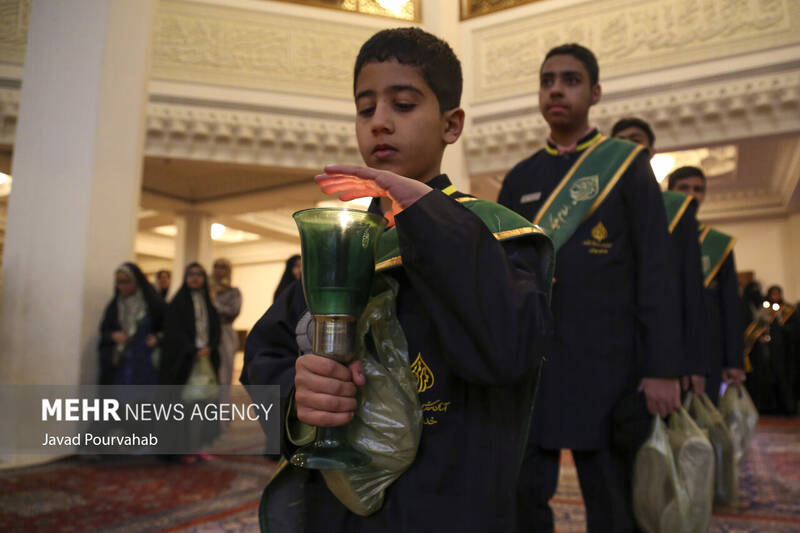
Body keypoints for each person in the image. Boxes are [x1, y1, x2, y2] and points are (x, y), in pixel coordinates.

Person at [241, 27, 554, 532]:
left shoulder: (500, 237)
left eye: (403, 104)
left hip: (450, 498)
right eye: (366, 109)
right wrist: (300, 396)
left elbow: (506, 349)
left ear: (452, 125)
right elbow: (268, 350)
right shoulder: (343, 242)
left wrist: (422, 214)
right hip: (340, 504)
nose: (380, 123)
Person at [498, 44, 682, 533]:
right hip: (535, 369)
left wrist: (662, 368)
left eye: (571, 80)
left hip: (610, 370)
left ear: (595, 92)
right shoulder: (520, 179)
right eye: (547, 80)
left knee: (615, 508)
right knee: (521, 501)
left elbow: (657, 272)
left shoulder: (627, 166)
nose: (556, 89)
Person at [612, 117, 709, 396]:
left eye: (636, 141)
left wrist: (691, 363)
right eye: (621, 142)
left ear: (651, 152)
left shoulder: (678, 210)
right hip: (612, 347)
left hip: (664, 348)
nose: (629, 148)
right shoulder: (601, 203)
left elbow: (689, 291)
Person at [667, 166, 746, 404]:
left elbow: (730, 306)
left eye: (698, 189)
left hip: (708, 349)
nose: (691, 194)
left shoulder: (718, 243)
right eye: (683, 188)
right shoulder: (656, 234)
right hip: (664, 343)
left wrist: (734, 360)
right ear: (669, 191)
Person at [161, 262, 222, 459]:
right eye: (191, 274)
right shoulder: (178, 304)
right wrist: (191, 350)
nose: (195, 278)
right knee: (185, 407)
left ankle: (199, 446)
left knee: (205, 404)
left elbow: (215, 329)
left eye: (199, 274)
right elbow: (174, 332)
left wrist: (209, 347)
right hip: (185, 363)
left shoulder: (208, 303)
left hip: (205, 359)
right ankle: (183, 448)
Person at [99, 262, 166, 385]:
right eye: (119, 282)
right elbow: (104, 333)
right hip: (121, 365)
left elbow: (170, 329)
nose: (122, 286)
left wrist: (157, 339)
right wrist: (113, 336)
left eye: (126, 282)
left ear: (136, 281)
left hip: (147, 364)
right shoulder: (115, 307)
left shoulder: (153, 304)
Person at [210, 258, 242, 390]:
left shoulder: (233, 292)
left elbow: (233, 311)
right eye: (216, 266)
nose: (219, 270)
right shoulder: (207, 290)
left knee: (224, 375)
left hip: (225, 334)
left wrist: (214, 304)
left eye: (223, 267)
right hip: (208, 332)